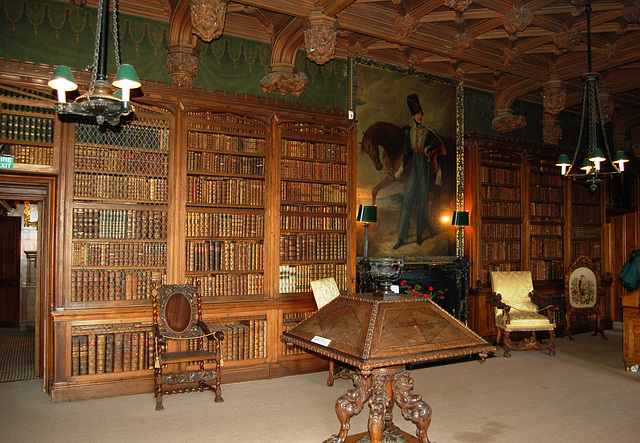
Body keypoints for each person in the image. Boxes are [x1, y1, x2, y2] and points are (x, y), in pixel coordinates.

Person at [393, 93, 446, 250]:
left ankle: (418, 237)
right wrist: (402, 167)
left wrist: (428, 148)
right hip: (414, 162)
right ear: (413, 115)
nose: (420, 116)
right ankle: (401, 238)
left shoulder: (427, 131)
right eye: (417, 114)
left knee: (422, 198)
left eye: (421, 113)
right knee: (407, 199)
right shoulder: (411, 133)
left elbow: (438, 143)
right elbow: (408, 151)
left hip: (423, 162)